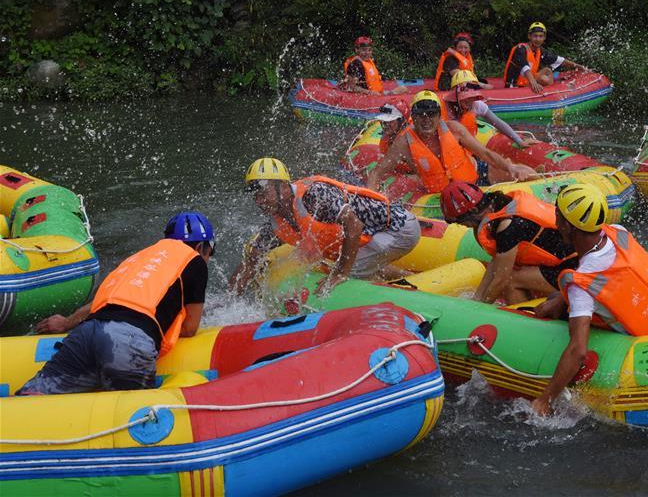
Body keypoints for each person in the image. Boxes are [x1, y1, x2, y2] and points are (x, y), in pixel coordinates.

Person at [17, 212, 215, 395]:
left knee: (34, 398)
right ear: (200, 247)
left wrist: (66, 322)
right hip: (128, 342)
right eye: (210, 252)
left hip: (87, 332)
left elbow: (106, 302)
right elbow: (190, 328)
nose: (207, 259)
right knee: (134, 420)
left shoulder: (142, 256)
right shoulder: (195, 261)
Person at [531, 184, 648, 415]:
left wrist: (545, 399)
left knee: (563, 302)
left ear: (567, 226)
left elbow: (578, 351)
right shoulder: (617, 232)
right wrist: (560, 299)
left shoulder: (581, 286)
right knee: (556, 296)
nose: (556, 222)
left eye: (558, 216)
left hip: (646, 347)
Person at [229, 158, 420, 296]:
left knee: (342, 271)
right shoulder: (276, 223)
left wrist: (341, 273)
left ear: (283, 186)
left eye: (264, 192)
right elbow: (252, 258)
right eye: (255, 195)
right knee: (334, 262)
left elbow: (354, 225)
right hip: (377, 238)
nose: (259, 200)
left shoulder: (314, 196)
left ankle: (400, 297)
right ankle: (413, 278)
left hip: (398, 228)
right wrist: (229, 299)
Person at [367, 91, 537, 193]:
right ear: (414, 117)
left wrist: (510, 168)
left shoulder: (454, 129)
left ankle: (536, 173)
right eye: (421, 115)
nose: (426, 120)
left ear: (439, 115)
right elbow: (377, 173)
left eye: (432, 114)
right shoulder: (403, 143)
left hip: (476, 176)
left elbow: (485, 154)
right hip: (441, 193)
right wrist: (372, 200)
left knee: (525, 172)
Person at [440, 182, 578, 305]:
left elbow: (501, 279)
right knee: (508, 273)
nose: (464, 226)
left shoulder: (508, 226)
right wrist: (477, 298)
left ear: (474, 212)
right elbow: (496, 261)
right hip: (564, 260)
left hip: (575, 267)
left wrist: (481, 309)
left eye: (462, 222)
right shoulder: (500, 204)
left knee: (511, 281)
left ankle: (526, 324)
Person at [443, 70, 536, 147]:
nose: (469, 100)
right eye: (465, 97)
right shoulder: (444, 108)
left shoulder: (477, 105)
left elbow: (498, 122)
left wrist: (518, 140)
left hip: (468, 148)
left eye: (472, 97)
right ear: (455, 95)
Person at [503, 22, 588, 92]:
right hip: (514, 86)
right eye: (535, 36)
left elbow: (561, 60)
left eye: (540, 36)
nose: (538, 39)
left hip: (526, 83)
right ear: (529, 36)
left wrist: (580, 67)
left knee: (547, 70)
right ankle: (551, 92)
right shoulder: (520, 49)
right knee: (544, 78)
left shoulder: (540, 51)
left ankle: (552, 90)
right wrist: (534, 83)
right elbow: (525, 68)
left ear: (544, 37)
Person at [342, 36, 408, 96]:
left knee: (403, 89)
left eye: (369, 50)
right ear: (357, 50)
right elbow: (352, 87)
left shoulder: (368, 62)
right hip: (366, 96)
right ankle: (388, 96)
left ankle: (388, 95)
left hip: (377, 94)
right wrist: (369, 92)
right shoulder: (355, 64)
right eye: (364, 50)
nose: (367, 53)